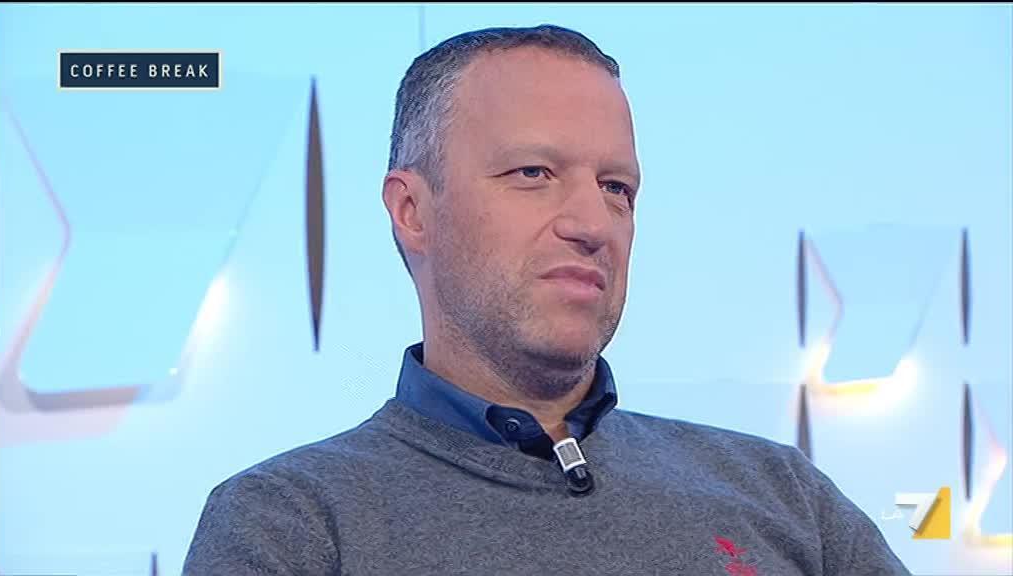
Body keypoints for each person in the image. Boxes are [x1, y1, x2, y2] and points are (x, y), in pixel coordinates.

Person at [183, 24, 911, 575]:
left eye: (616, 188)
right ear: (412, 211)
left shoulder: (783, 495)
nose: (593, 224)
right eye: (534, 173)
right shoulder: (292, 522)